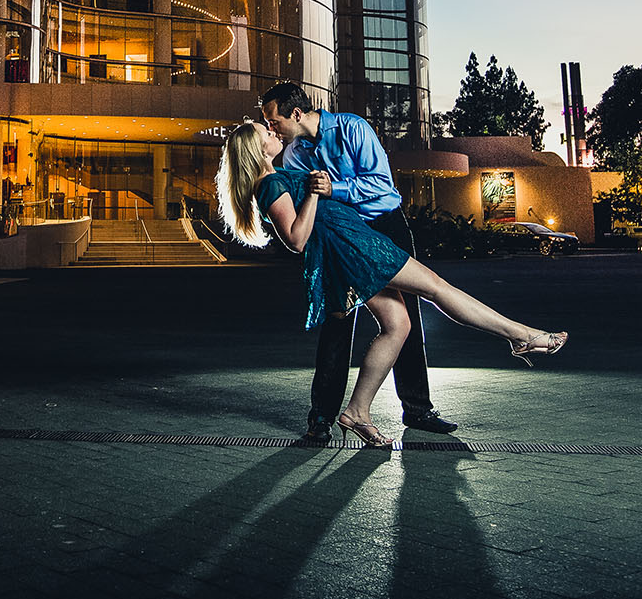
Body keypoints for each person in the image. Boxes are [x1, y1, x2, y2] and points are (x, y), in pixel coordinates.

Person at [217, 119, 568, 446]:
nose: (274, 133)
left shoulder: (278, 175)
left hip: (354, 243)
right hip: (354, 248)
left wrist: (320, 192)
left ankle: (356, 412)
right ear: (257, 148)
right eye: (267, 132)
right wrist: (312, 194)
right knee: (435, 287)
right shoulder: (270, 184)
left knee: (399, 324)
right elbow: (296, 238)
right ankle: (523, 336)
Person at [257, 82, 452, 440]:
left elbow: (382, 186)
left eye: (273, 120)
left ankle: (418, 408)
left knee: (405, 317)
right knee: (337, 321)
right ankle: (321, 417)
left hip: (385, 225)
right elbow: (306, 208)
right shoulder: (293, 155)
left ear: (296, 114)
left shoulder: (353, 128)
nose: (271, 128)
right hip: (341, 237)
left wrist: (336, 190)